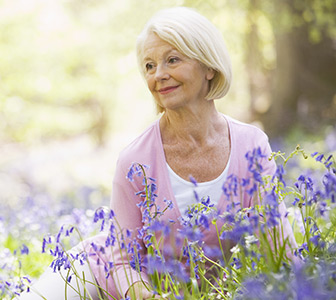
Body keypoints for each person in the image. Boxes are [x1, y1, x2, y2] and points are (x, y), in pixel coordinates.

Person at [19, 7, 298, 300]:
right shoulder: (135, 160)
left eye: (172, 60)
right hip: (105, 273)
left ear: (209, 66)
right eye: (149, 66)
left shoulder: (251, 144)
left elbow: (276, 236)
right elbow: (122, 259)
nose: (159, 75)